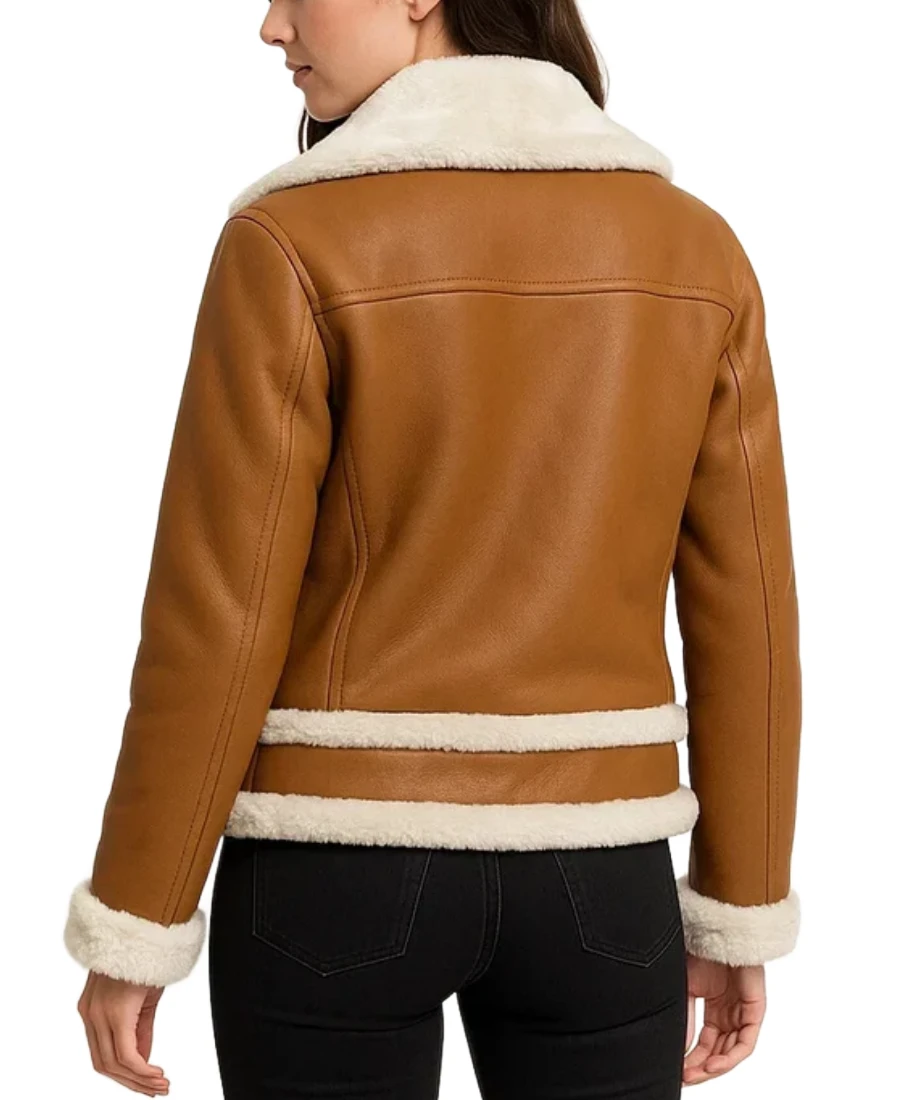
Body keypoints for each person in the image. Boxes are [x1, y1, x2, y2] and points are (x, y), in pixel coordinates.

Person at [63, 1, 803, 1097]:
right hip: (603, 878)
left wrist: (140, 915)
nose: (270, 26)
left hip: (333, 866)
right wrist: (741, 902)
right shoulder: (695, 248)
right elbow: (752, 611)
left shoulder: (292, 242)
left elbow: (218, 616)